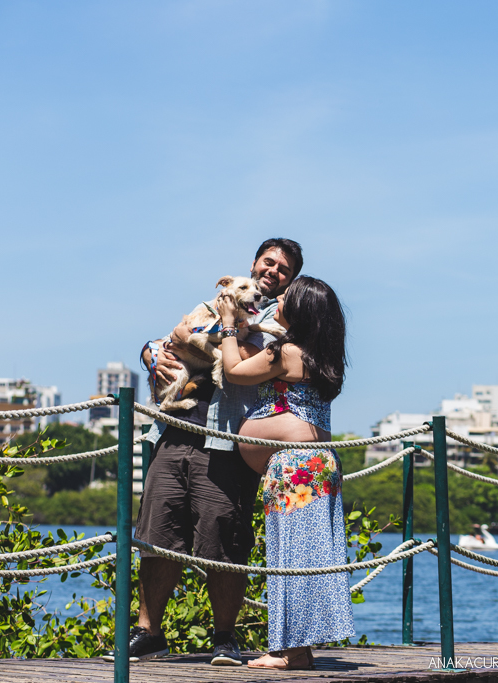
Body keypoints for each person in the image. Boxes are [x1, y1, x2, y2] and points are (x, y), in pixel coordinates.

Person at [105, 238, 303, 667]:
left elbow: (249, 356)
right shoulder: (222, 297)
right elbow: (171, 337)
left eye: (283, 269)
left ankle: (224, 638)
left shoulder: (282, 317)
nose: (272, 272)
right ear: (253, 264)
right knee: (157, 536)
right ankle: (149, 634)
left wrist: (204, 332)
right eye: (267, 262)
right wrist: (151, 351)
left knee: (225, 539)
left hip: (228, 440)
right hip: (174, 430)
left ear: (291, 280)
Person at [216, 275, 353, 670]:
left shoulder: (289, 351)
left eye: (285, 298)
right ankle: (298, 650)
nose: (276, 300)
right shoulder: (322, 355)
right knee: (307, 555)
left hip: (296, 468)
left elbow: (234, 371)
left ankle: (290, 653)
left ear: (301, 310)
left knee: (292, 556)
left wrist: (228, 324)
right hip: (316, 466)